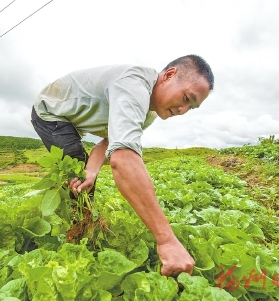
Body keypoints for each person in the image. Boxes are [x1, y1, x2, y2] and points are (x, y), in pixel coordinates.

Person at [31, 54, 214, 277]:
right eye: (186, 98)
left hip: (72, 120)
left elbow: (109, 141)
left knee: (85, 174)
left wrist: (93, 170)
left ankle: (83, 227)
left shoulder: (149, 112)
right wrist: (166, 240)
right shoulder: (133, 86)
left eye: (191, 108)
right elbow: (122, 158)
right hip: (49, 111)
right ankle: (76, 235)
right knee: (75, 164)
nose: (183, 111)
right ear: (169, 75)